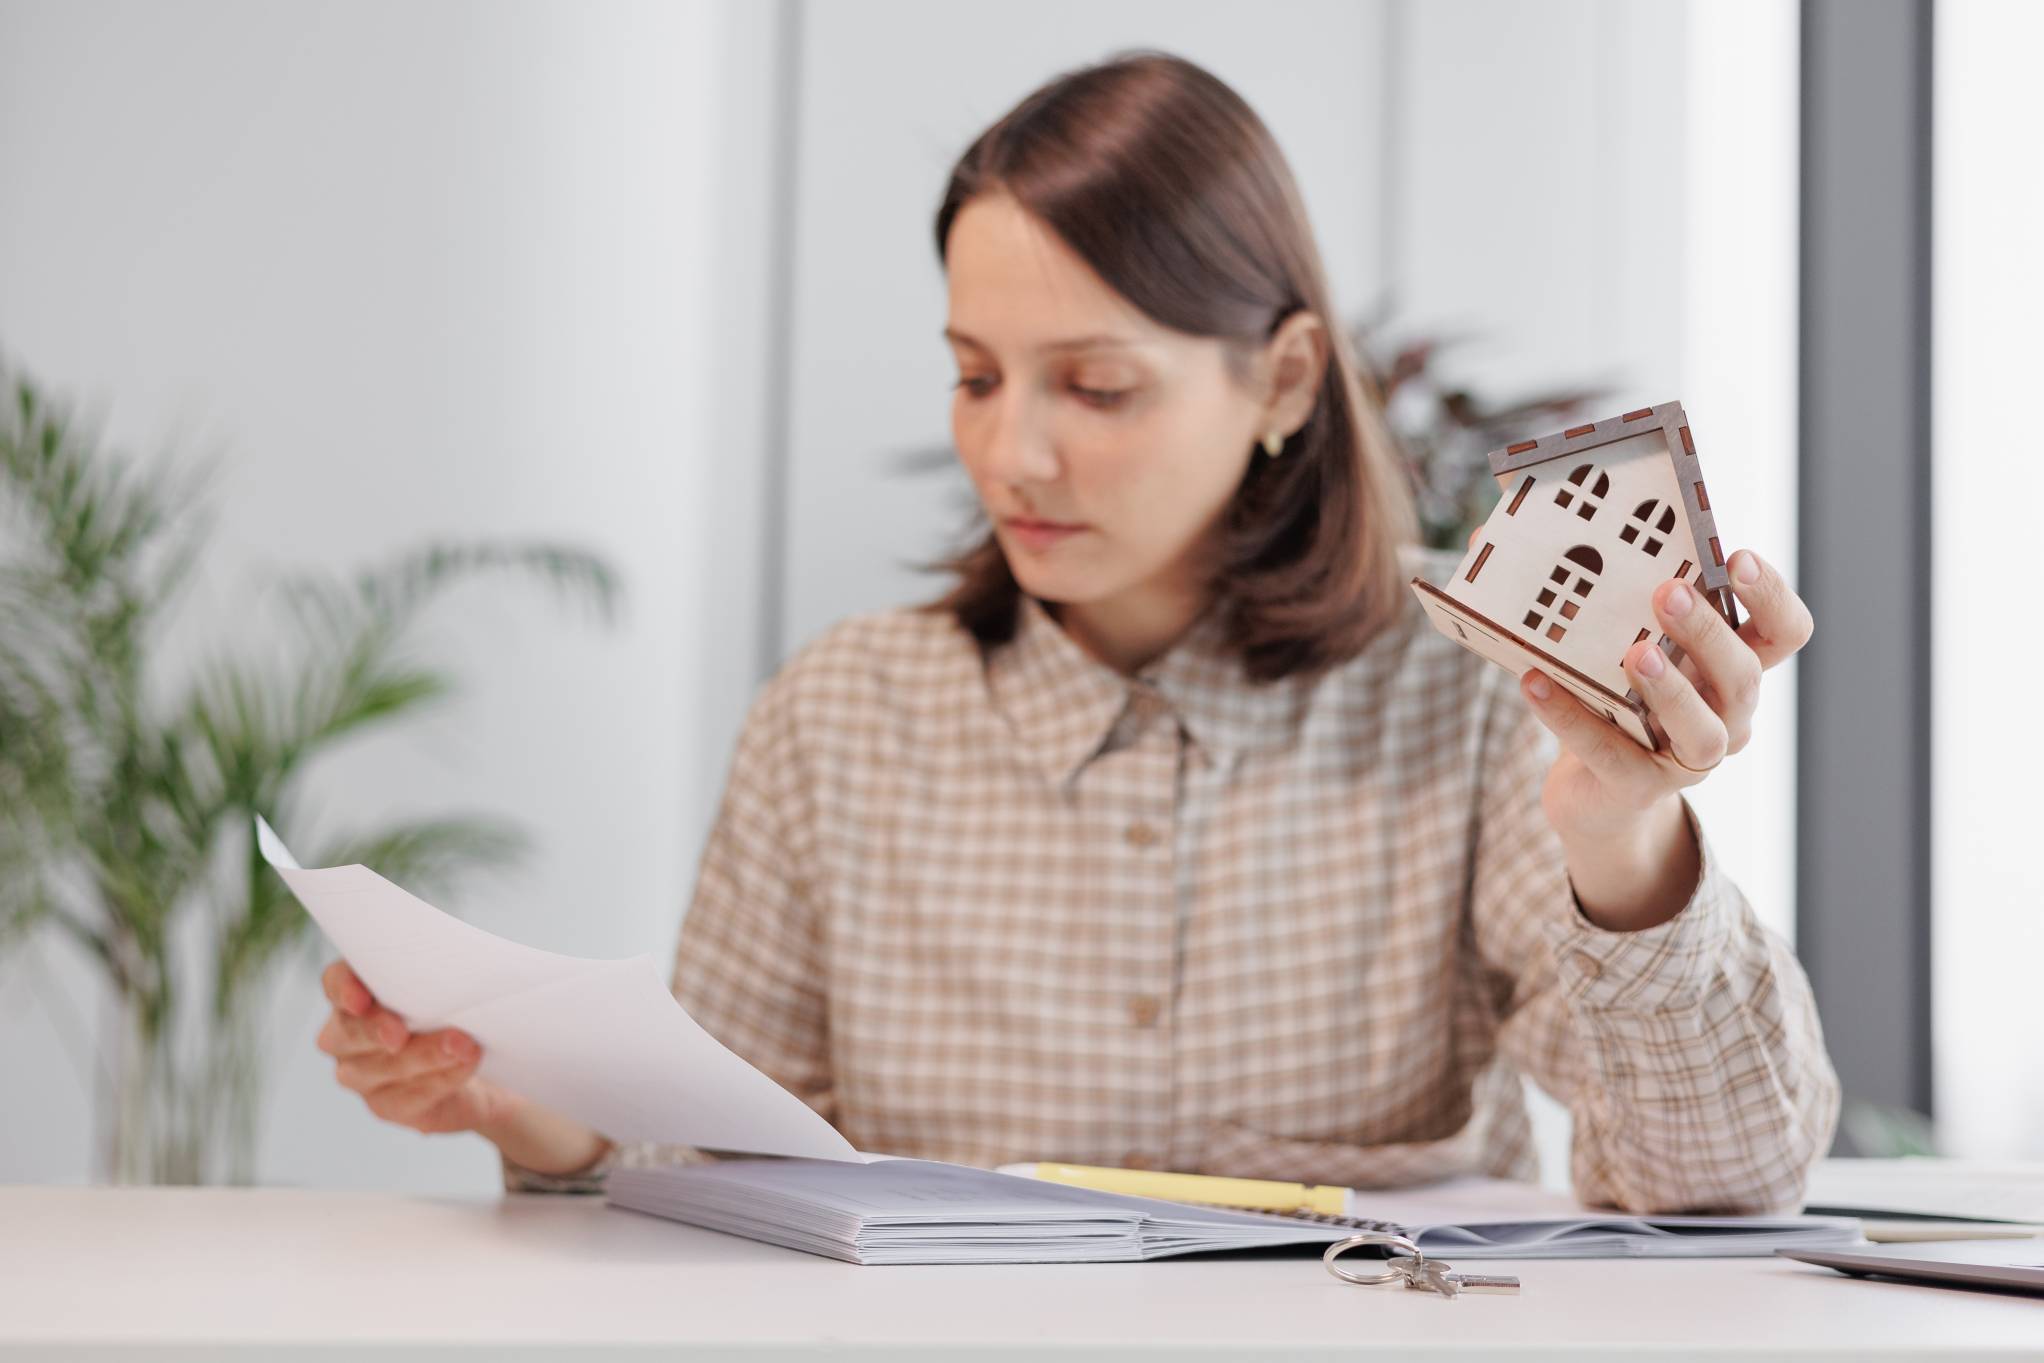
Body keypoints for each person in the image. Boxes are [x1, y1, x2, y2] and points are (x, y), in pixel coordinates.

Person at [315, 50, 1837, 1214]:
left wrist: (1623, 837)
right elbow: (710, 1158)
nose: (1014, 456)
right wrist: (530, 1110)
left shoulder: (1466, 704)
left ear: (1288, 382)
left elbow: (1727, 1179)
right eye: (978, 376)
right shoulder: (837, 717)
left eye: (1096, 388)